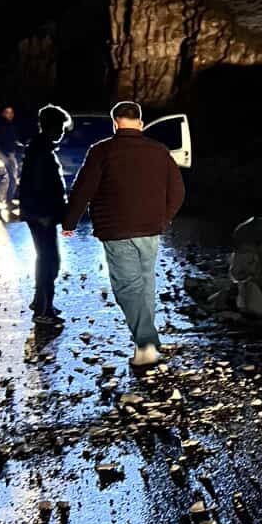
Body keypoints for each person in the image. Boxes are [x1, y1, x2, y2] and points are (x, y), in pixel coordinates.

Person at [61, 99, 185, 366]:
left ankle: (146, 344)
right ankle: (148, 342)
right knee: (145, 284)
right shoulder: (159, 151)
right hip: (151, 229)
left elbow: (83, 189)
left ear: (115, 123)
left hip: (116, 228)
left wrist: (70, 222)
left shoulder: (102, 151)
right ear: (140, 123)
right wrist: (163, 219)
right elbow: (177, 191)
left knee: (128, 287)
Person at [18, 104, 71, 328]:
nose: (62, 133)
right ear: (51, 127)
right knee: (49, 261)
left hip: (40, 214)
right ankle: (43, 309)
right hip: (42, 215)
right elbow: (39, 187)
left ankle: (41, 302)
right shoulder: (42, 153)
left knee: (47, 259)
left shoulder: (40, 149)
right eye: (60, 128)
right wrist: (45, 213)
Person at [0, 104, 23, 209]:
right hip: (5, 153)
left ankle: (0, 195)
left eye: (11, 112)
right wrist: (3, 153)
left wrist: (20, 144)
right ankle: (8, 201)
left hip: (9, 153)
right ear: (3, 114)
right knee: (12, 177)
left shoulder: (9, 125)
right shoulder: (2, 125)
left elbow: (12, 139)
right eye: (8, 112)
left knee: (10, 176)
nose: (10, 114)